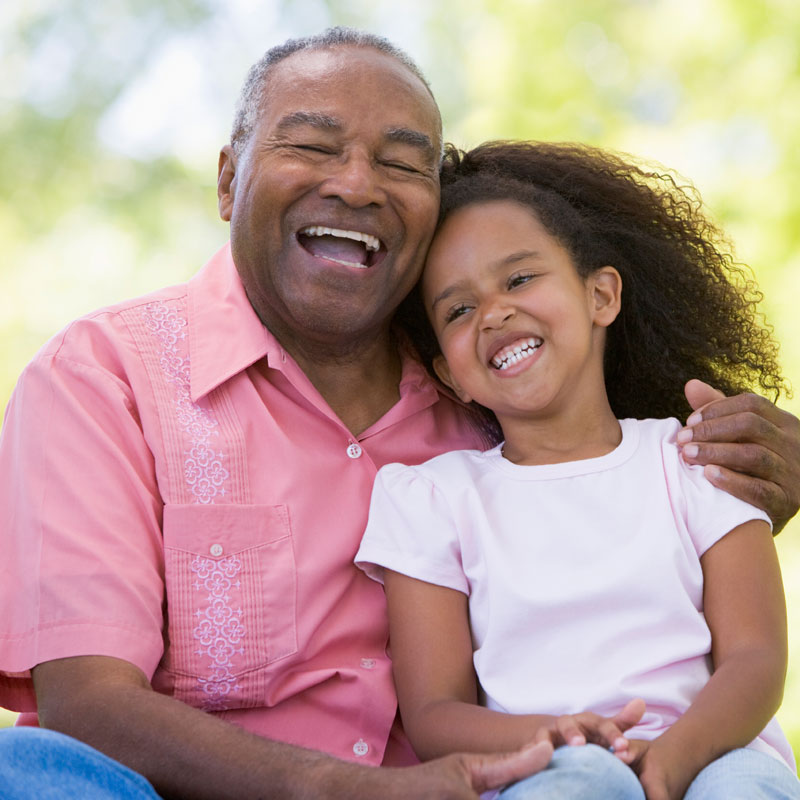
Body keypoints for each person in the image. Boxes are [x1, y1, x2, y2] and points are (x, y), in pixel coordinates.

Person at [0, 26, 797, 800]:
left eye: (403, 162)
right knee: (23, 766)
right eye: (311, 146)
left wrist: (767, 486)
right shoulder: (105, 378)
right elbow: (87, 705)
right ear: (226, 179)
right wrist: (351, 791)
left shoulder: (493, 394)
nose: (356, 183)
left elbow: (633, 534)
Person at [355, 140, 800, 800]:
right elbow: (434, 717)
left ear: (601, 294)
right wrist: (565, 736)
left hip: (712, 749)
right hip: (545, 761)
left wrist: (669, 763)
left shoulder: (694, 459)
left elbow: (756, 659)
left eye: (519, 279)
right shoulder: (432, 499)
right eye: (458, 309)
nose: (495, 312)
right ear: (450, 375)